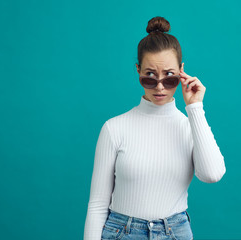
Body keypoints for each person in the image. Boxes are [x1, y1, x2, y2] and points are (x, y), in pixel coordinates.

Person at [84, 16, 226, 240]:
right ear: (138, 70)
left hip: (175, 232)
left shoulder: (190, 126)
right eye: (149, 77)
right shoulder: (114, 128)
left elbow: (212, 174)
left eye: (169, 78)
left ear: (181, 71)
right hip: (123, 232)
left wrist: (195, 108)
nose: (159, 87)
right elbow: (98, 204)